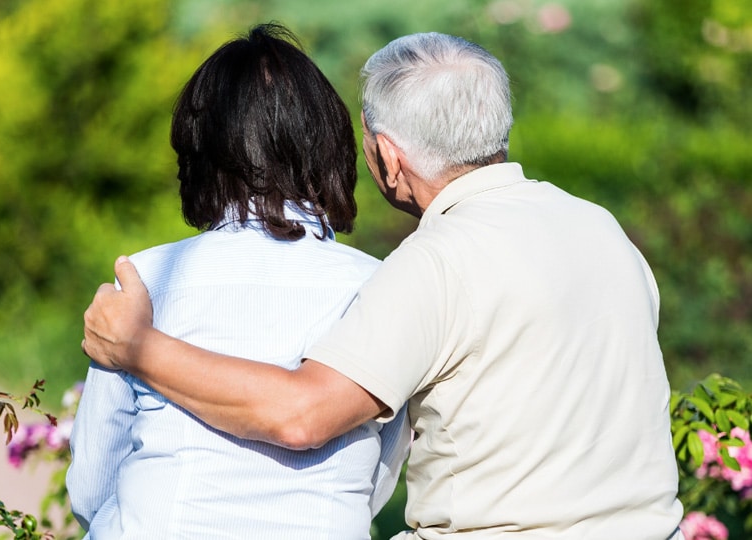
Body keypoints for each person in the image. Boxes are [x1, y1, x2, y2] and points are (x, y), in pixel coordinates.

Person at [82, 31, 686, 539]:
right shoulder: (603, 231)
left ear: (389, 158)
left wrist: (136, 347)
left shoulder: (435, 262)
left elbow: (303, 414)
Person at [66, 23, 409, 540]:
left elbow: (92, 481)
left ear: (199, 154)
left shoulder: (144, 277)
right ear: (328, 146)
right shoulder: (383, 285)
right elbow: (380, 476)